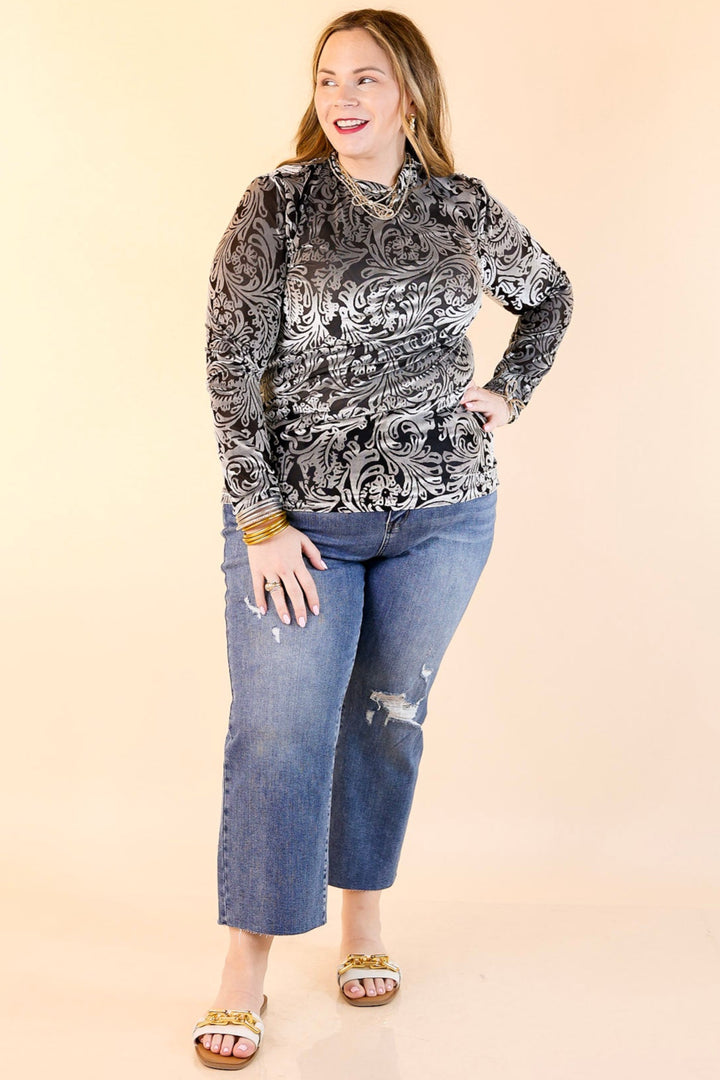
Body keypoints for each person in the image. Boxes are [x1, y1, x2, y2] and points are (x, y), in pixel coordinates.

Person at [192, 7, 573, 1069]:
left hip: (443, 518)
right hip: (301, 528)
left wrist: (507, 392)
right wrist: (259, 520)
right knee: (279, 732)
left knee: (387, 719)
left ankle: (363, 917)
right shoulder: (278, 204)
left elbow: (548, 296)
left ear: (410, 92)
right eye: (328, 78)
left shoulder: (461, 207)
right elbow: (229, 367)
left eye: (366, 77)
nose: (342, 97)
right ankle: (245, 967)